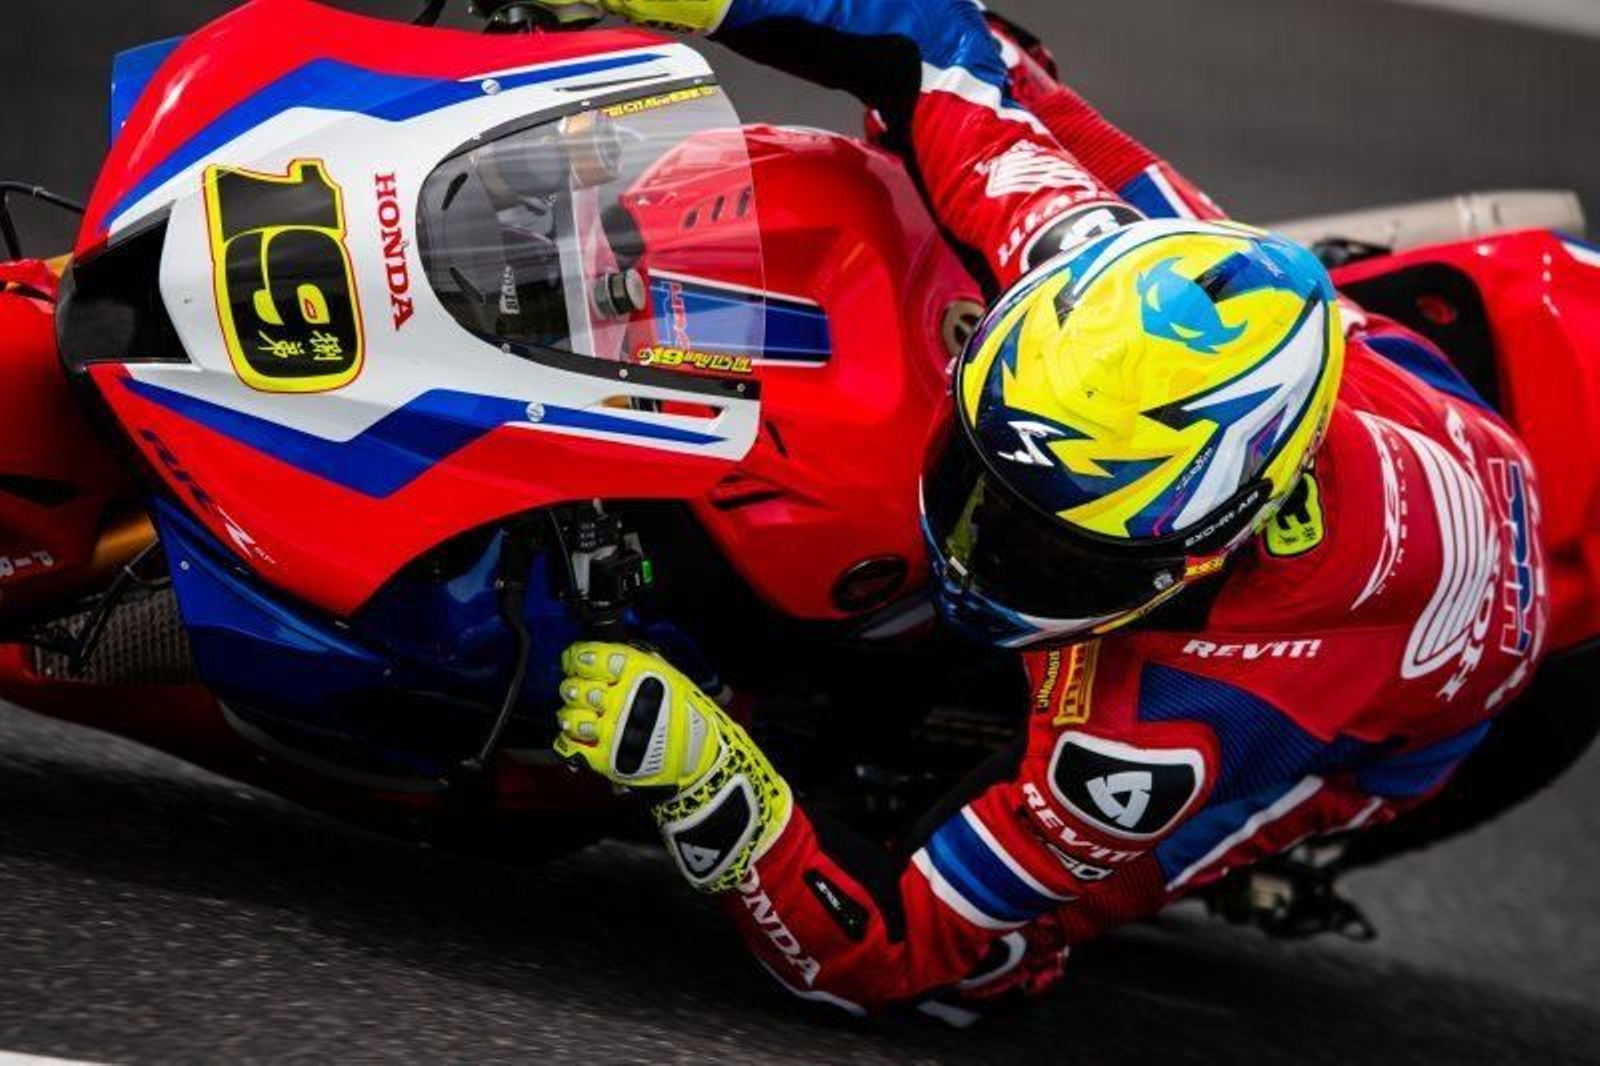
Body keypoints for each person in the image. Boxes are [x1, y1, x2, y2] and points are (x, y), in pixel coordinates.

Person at [542, 0, 1555, 1019]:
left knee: (993, 968)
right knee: (1007, 68)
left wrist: (718, 786)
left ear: (1193, 558)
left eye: (1050, 556)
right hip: (1402, 395)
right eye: (979, 485)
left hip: (1401, 692)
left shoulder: (1173, 728)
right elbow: (933, 46)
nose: (974, 560)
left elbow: (899, 953)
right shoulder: (1079, 257)